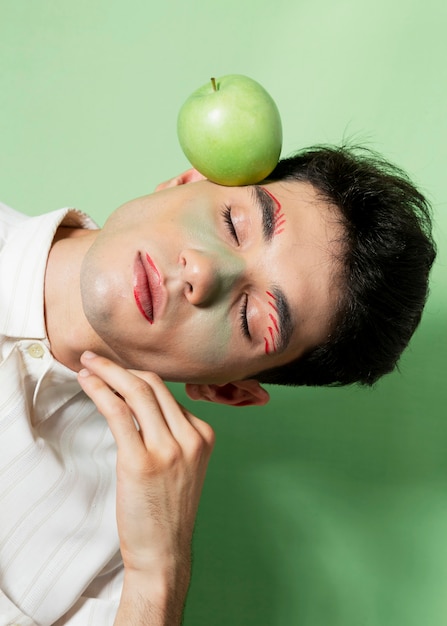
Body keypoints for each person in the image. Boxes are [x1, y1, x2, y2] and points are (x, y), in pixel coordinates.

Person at [0, 145, 436, 625]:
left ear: (228, 390)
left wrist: (156, 577)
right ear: (186, 182)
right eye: (233, 223)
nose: (204, 272)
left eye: (253, 317)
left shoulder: (120, 549)